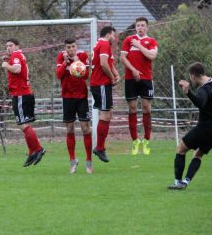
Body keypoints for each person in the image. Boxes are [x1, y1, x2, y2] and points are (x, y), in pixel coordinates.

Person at [167, 62, 212, 190]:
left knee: (181, 149)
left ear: (193, 76)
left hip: (205, 128)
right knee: (198, 154)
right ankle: (185, 182)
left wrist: (188, 92)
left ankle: (177, 182)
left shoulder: (203, 89)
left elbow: (200, 103)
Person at [1, 38, 46, 167]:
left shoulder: (16, 55)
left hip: (20, 94)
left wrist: (6, 65)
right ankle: (32, 151)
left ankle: (38, 149)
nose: (8, 48)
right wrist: (6, 63)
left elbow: (16, 69)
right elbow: (14, 73)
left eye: (11, 45)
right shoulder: (19, 55)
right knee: (24, 124)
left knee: (22, 125)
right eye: (7, 46)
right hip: (25, 93)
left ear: (17, 46)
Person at [120, 17, 158, 156]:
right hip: (131, 78)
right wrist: (134, 70)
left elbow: (151, 56)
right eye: (138, 26)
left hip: (146, 79)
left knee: (147, 108)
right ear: (135, 27)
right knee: (132, 108)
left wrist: (139, 45)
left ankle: (146, 141)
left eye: (142, 25)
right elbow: (123, 58)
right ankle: (135, 141)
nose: (140, 28)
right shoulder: (128, 40)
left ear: (147, 28)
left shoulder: (151, 41)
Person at [56, 37, 93, 174]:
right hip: (67, 98)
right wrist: (66, 62)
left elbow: (86, 76)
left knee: (85, 128)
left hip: (81, 97)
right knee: (70, 129)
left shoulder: (82, 55)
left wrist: (77, 62)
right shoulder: (61, 57)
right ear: (65, 48)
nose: (71, 50)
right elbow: (58, 75)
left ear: (76, 46)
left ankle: (89, 162)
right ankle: (72, 161)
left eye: (73, 47)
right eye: (68, 47)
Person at [90, 26, 120, 163]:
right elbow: (103, 64)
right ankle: (99, 147)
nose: (115, 38)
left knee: (108, 114)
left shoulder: (103, 44)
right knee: (105, 114)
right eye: (114, 35)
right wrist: (112, 78)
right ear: (109, 35)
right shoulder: (103, 43)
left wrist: (116, 74)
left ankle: (101, 147)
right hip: (100, 84)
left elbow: (109, 63)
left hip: (102, 84)